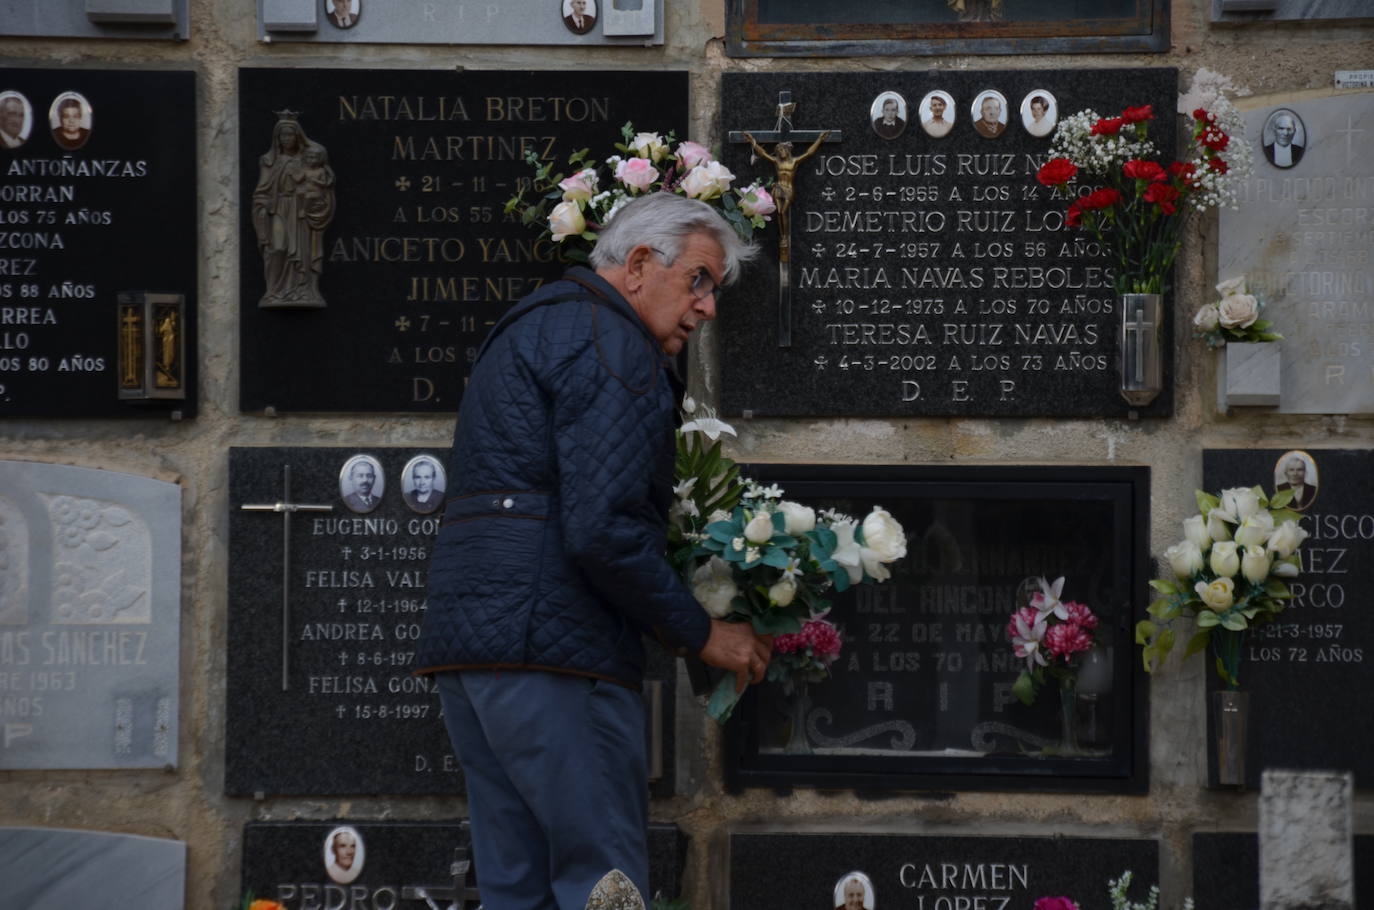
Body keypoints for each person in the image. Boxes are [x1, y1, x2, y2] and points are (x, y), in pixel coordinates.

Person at [415, 193, 772, 910]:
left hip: (474, 654)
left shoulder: (534, 324)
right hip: (557, 658)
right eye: (698, 279)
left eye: (714, 290)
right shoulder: (614, 344)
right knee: (602, 887)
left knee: (516, 889)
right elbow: (603, 528)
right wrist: (701, 632)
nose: (706, 308)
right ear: (639, 264)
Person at [251, 116, 335, 308]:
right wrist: (262, 207)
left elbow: (319, 184)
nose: (286, 139)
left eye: (290, 135)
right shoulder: (269, 161)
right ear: (277, 138)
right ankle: (274, 291)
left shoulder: (307, 159)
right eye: (282, 135)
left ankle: (303, 290)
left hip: (299, 210)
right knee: (278, 248)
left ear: (298, 137)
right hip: (279, 208)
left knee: (302, 250)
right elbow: (261, 191)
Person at [741, 130, 830, 262]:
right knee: (779, 213)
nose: (781, 153)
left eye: (783, 150)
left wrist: (820, 139)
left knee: (783, 212)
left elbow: (808, 153)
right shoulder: (777, 162)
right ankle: (783, 237)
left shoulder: (794, 162)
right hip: (778, 188)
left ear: (787, 151)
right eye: (780, 151)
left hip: (788, 189)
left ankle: (785, 236)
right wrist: (752, 141)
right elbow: (763, 154)